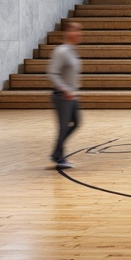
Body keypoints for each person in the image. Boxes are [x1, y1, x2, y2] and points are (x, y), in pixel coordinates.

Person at [47, 20, 83, 169]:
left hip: (72, 95)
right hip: (62, 96)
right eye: (74, 30)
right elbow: (53, 73)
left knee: (76, 122)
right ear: (67, 32)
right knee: (63, 127)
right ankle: (59, 156)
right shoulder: (61, 51)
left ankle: (56, 152)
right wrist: (65, 89)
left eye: (79, 30)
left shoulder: (72, 51)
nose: (78, 33)